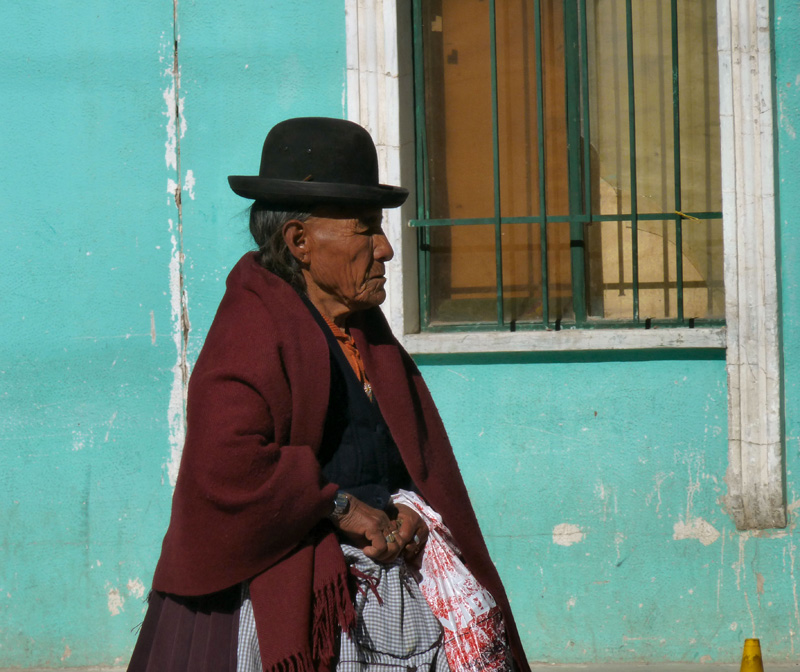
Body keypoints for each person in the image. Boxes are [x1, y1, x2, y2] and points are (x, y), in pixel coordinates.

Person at [128, 117, 530, 672]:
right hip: (286, 607)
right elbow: (228, 466)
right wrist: (338, 506)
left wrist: (412, 511)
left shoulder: (368, 335)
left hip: (389, 611)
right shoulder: (253, 325)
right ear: (299, 241)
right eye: (365, 228)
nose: (386, 249)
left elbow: (410, 463)